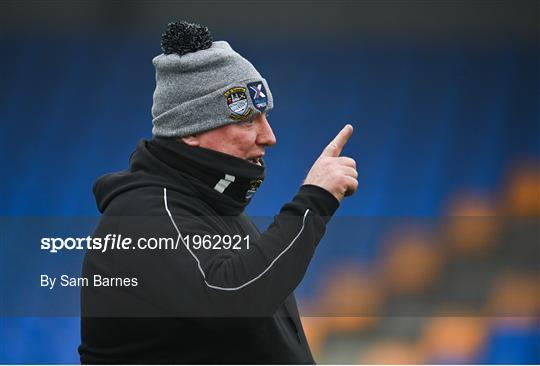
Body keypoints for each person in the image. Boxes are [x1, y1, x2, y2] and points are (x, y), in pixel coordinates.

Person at [78, 21, 358, 364]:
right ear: (191, 130)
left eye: (265, 117)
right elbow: (232, 299)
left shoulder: (210, 208)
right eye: (247, 120)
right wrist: (314, 199)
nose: (269, 136)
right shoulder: (146, 216)